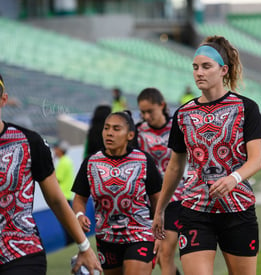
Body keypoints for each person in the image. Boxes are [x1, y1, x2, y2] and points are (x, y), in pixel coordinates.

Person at [152, 35, 261, 275]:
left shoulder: (246, 108)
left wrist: (233, 179)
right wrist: (160, 209)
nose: (198, 73)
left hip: (238, 209)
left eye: (206, 66)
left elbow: (256, 159)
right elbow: (175, 167)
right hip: (194, 210)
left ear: (223, 70)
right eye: (195, 67)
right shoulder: (183, 114)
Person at [0, 74, 101, 274]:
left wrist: (84, 247)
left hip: (21, 252)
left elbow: (55, 199)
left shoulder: (29, 143)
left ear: (3, 100)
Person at [72, 111, 162, 275]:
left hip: (140, 234)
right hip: (106, 238)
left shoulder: (143, 160)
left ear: (130, 135)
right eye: (106, 128)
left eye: (116, 129)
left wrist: (159, 233)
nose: (109, 133)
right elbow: (80, 198)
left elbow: (158, 200)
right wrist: (79, 215)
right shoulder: (91, 162)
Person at [136, 87, 185, 275]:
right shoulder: (138, 133)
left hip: (176, 197)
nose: (146, 116)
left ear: (162, 105)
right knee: (157, 258)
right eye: (143, 112)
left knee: (165, 253)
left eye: (150, 111)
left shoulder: (177, 127)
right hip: (150, 201)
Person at [54, 139, 76, 245]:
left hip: (63, 195)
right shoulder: (67, 160)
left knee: (65, 222)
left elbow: (56, 179)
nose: (55, 151)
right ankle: (72, 240)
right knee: (68, 220)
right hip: (67, 194)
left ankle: (70, 241)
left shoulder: (63, 162)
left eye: (56, 149)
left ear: (60, 150)